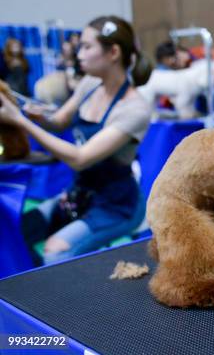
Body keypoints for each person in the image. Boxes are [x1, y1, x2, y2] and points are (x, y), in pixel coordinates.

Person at [0, 15, 153, 266]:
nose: (78, 54)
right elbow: (59, 121)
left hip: (117, 204)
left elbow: (80, 159)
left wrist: (19, 121)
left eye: (86, 46)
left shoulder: (134, 109)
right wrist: (32, 114)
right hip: (79, 195)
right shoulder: (90, 84)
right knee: (17, 230)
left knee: (55, 251)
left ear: (113, 52)